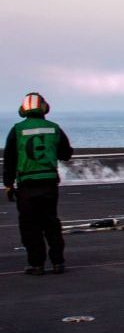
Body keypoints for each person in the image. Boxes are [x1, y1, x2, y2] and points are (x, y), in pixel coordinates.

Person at [4, 93, 73, 275]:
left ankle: (37, 264)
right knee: (51, 222)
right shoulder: (54, 128)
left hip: (27, 185)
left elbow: (9, 159)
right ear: (44, 108)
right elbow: (66, 154)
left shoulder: (17, 130)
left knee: (30, 226)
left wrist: (8, 184)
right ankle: (58, 262)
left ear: (24, 109)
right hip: (49, 183)